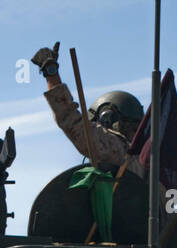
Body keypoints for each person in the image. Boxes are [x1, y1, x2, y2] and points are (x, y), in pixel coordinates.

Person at [31, 42, 144, 177]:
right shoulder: (148, 159)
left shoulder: (115, 148)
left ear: (107, 120)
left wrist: (50, 72)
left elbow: (71, 120)